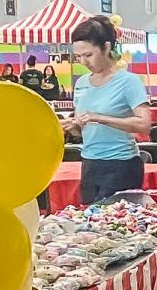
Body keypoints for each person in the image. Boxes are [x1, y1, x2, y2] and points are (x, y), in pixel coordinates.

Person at [63, 16, 151, 204]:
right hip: (90, 164)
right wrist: (72, 127)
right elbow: (84, 130)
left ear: (106, 47)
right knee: (89, 218)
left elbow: (144, 124)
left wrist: (100, 118)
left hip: (121, 165)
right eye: (78, 57)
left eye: (88, 55)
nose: (83, 62)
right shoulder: (81, 83)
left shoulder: (129, 82)